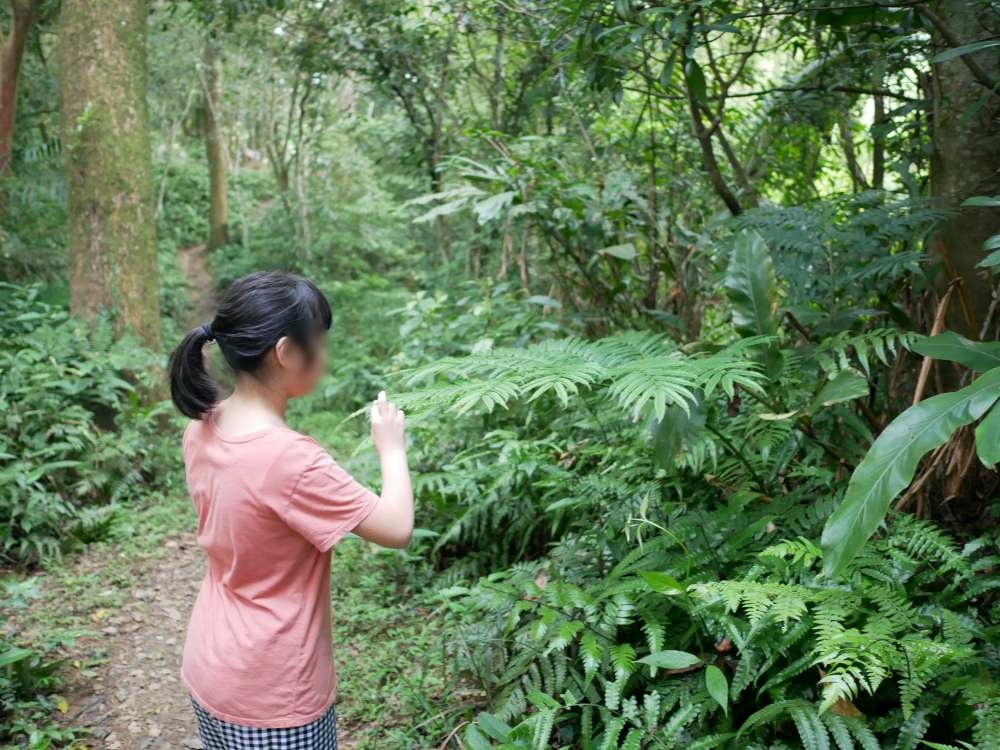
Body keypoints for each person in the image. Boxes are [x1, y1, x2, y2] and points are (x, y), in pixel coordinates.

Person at [167, 270, 413, 749]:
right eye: (318, 341)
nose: (324, 355)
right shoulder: (290, 459)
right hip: (273, 691)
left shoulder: (201, 427)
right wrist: (392, 449)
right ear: (285, 352)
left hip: (211, 662)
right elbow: (397, 527)